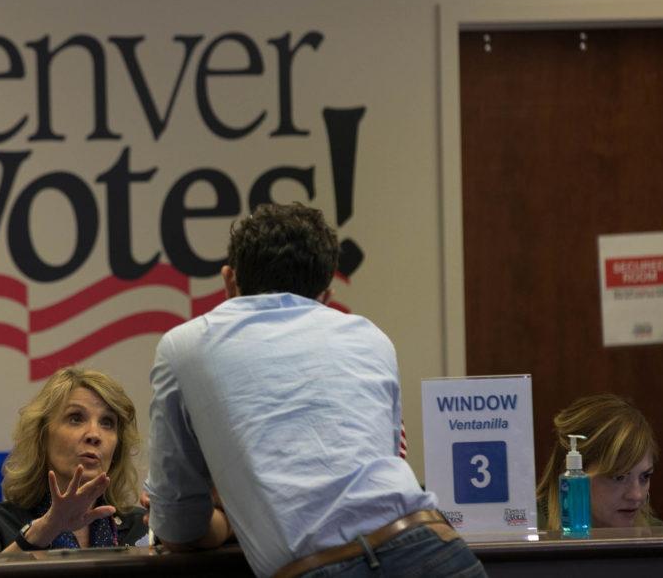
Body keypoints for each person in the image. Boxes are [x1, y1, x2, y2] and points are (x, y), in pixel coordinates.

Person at [145, 202, 485, 578]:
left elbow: (177, 527)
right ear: (325, 294)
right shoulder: (370, 337)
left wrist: (227, 515)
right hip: (434, 547)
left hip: (318, 569)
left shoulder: (182, 347)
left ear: (229, 280)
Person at [0, 367, 148, 553]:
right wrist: (48, 527)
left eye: (107, 422)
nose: (94, 435)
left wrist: (174, 529)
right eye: (75, 418)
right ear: (42, 436)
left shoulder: (142, 526)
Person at [535, 393, 661, 530]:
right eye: (618, 477)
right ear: (573, 475)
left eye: (645, 476)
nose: (637, 495)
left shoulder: (655, 533)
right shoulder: (528, 533)